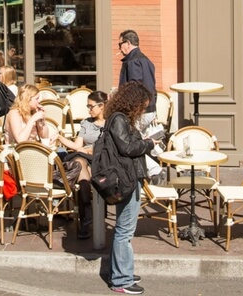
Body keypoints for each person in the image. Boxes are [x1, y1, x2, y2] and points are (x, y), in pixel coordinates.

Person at [104, 81, 161, 295]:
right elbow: (127, 148)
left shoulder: (119, 118)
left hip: (127, 177)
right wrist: (148, 144)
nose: (144, 109)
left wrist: (143, 140)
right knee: (125, 230)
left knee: (124, 228)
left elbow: (125, 145)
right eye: (143, 105)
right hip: (126, 178)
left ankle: (121, 271)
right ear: (134, 103)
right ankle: (122, 279)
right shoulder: (119, 119)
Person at [57, 90, 109, 239]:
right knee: (79, 163)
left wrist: (92, 149)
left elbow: (110, 146)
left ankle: (86, 219)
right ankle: (86, 213)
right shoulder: (86, 122)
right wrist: (60, 137)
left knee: (81, 168)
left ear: (102, 106)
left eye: (91, 106)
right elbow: (77, 145)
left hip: (101, 160)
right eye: (88, 106)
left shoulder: (111, 122)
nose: (89, 109)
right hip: (84, 158)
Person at [118, 29, 157, 127]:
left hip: (139, 113)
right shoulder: (147, 61)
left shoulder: (133, 61)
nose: (119, 49)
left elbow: (134, 89)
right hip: (149, 110)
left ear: (127, 43)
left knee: (132, 141)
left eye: (120, 44)